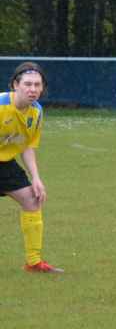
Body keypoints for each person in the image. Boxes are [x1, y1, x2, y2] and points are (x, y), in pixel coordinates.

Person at [2, 62, 63, 273]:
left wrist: (36, 178)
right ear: (15, 85)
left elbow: (27, 145)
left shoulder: (36, 112)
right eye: (27, 84)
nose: (33, 89)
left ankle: (34, 262)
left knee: (32, 199)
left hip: (5, 164)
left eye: (37, 85)